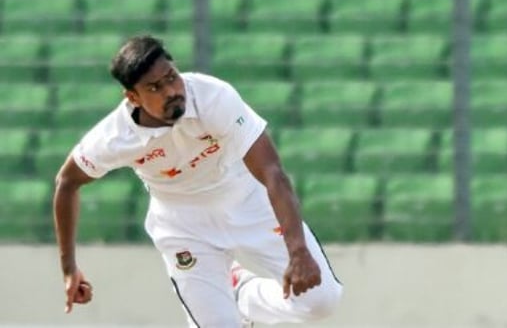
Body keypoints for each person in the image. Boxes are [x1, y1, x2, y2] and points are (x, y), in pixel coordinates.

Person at [53, 35, 343, 327]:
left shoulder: (212, 97)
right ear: (133, 98)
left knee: (320, 301)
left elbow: (272, 172)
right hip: (183, 223)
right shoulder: (115, 137)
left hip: (244, 198)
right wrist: (69, 269)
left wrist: (298, 251)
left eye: (171, 77)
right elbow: (67, 182)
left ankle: (243, 293)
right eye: (155, 87)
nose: (171, 91)